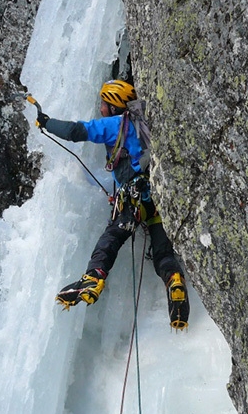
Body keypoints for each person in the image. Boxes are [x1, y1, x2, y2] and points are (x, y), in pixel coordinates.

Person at [35, 79, 190, 330]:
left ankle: (93, 278)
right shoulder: (143, 124)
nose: (101, 108)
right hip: (156, 199)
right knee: (162, 250)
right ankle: (174, 280)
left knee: (111, 239)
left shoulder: (115, 124)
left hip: (132, 199)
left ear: (114, 106)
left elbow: (77, 132)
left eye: (104, 103)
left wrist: (47, 122)